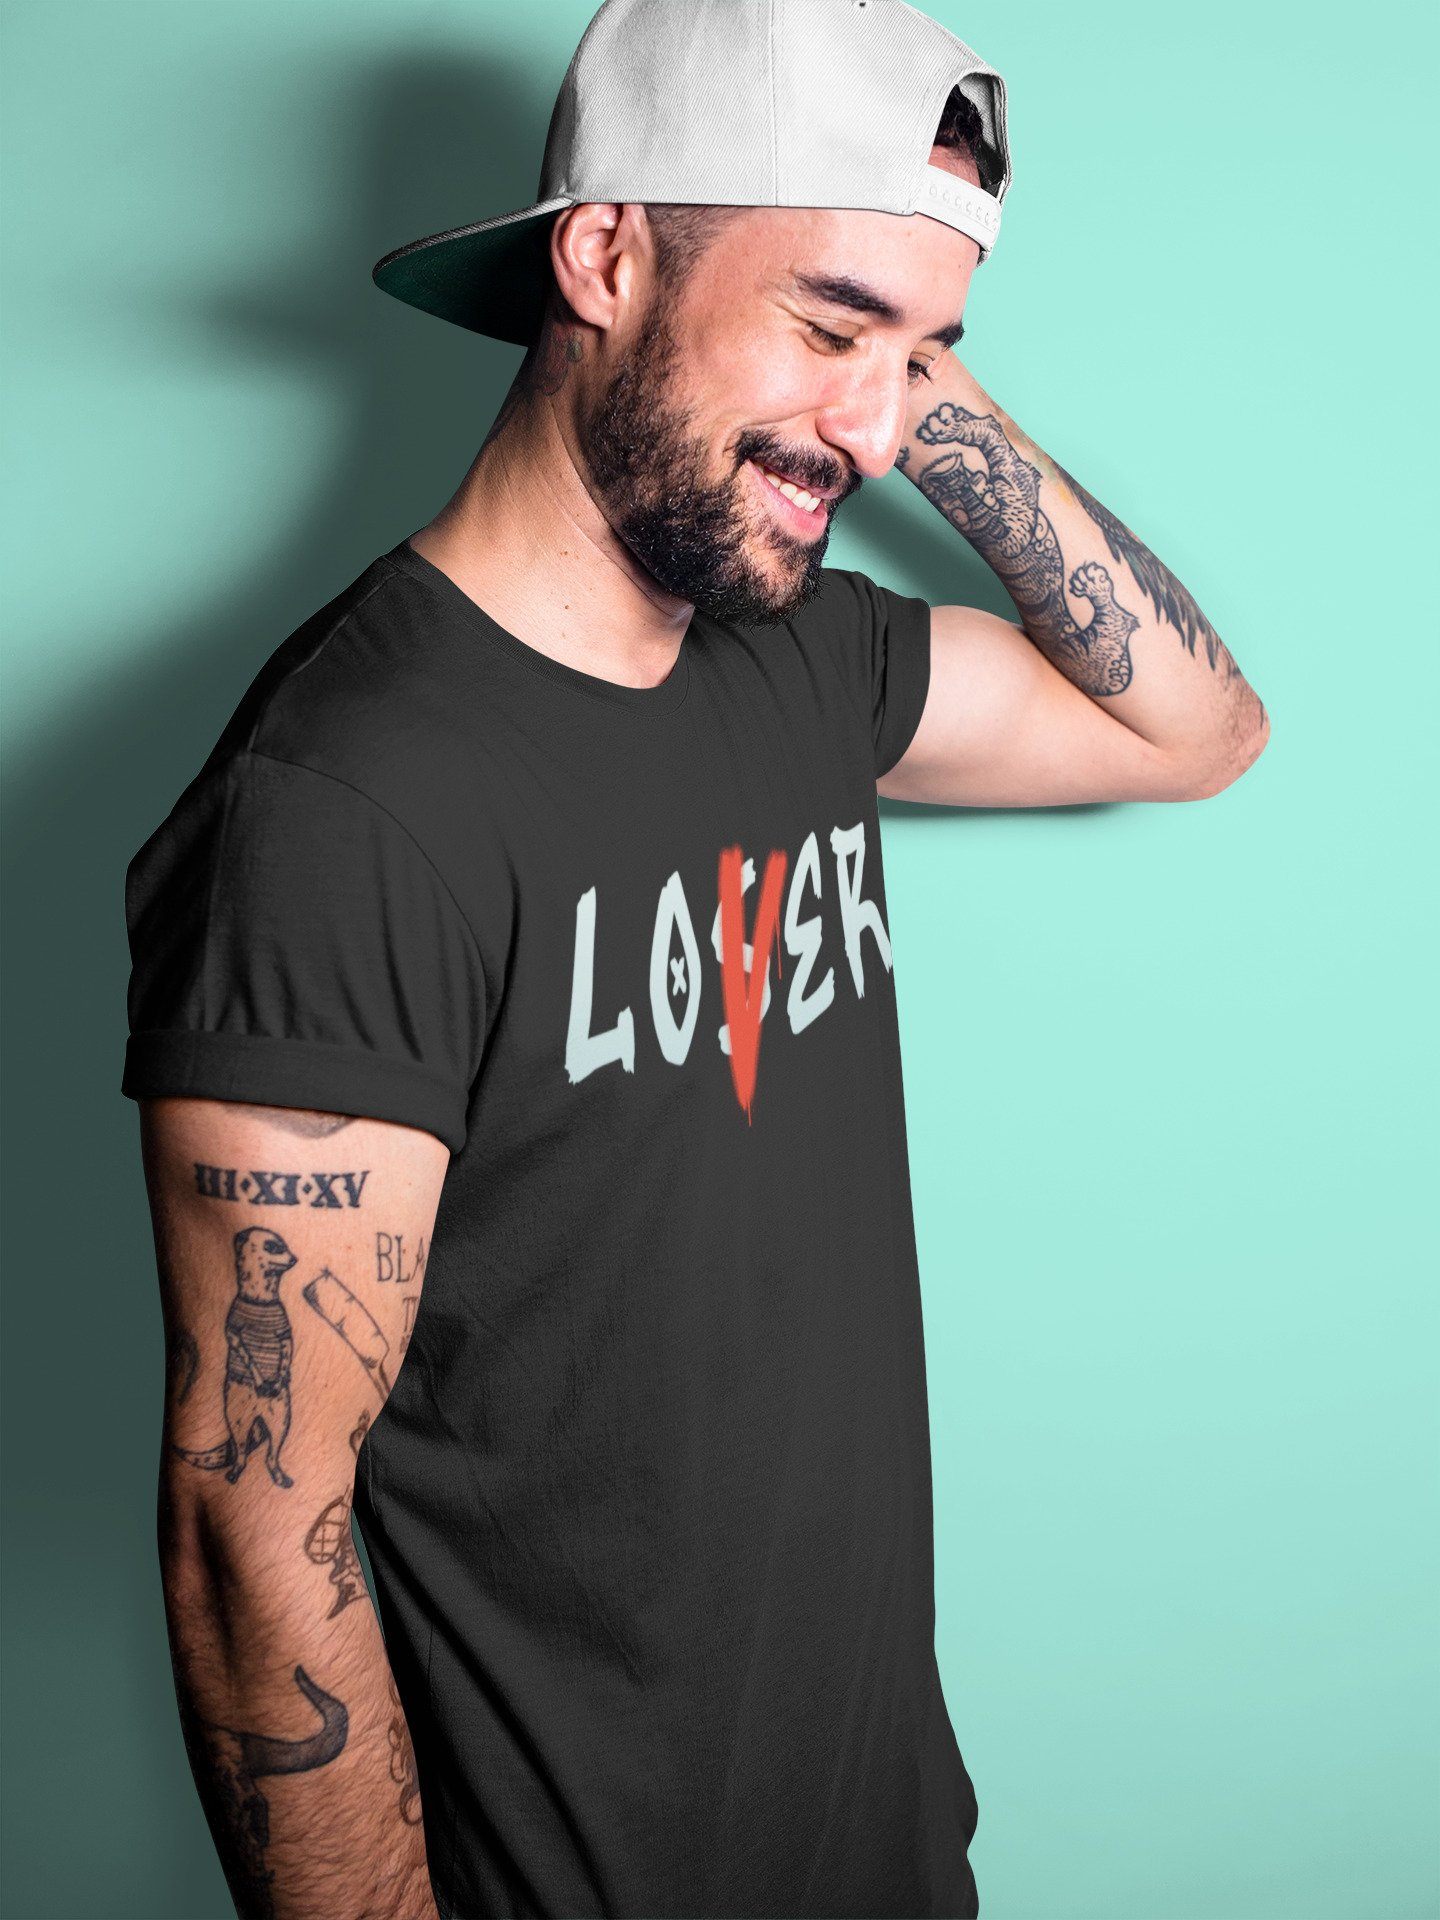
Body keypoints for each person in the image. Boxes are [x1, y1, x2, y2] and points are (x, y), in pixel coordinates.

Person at [121, 0, 1268, 1914]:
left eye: (926, 355)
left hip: (884, 1854)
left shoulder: (799, 657)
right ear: (603, 256)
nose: (878, 431)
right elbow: (257, 1539)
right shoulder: (346, 806)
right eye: (826, 325)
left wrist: (888, 352)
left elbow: (1200, 731)